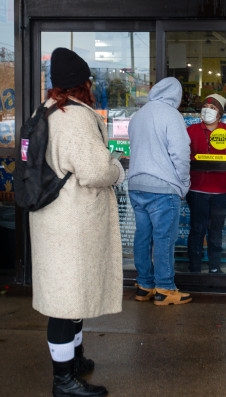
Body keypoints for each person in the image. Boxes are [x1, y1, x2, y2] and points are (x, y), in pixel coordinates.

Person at [30, 47, 125, 397]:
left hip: (54, 221)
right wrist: (116, 167)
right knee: (65, 301)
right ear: (83, 84)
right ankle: (63, 381)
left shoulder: (48, 110)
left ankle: (74, 360)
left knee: (70, 295)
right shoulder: (75, 116)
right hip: (73, 223)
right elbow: (96, 170)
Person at [127, 77, 192, 305]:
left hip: (136, 184)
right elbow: (181, 154)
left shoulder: (139, 115)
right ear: (176, 95)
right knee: (164, 239)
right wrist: (184, 184)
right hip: (163, 188)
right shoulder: (171, 115)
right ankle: (165, 288)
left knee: (143, 236)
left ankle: (144, 285)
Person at [186, 94, 226, 274]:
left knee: (216, 230)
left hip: (222, 191)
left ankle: (214, 267)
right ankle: (195, 268)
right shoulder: (191, 131)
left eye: (212, 108)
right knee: (197, 230)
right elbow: (181, 158)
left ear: (220, 114)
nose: (208, 110)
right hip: (196, 190)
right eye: (205, 106)